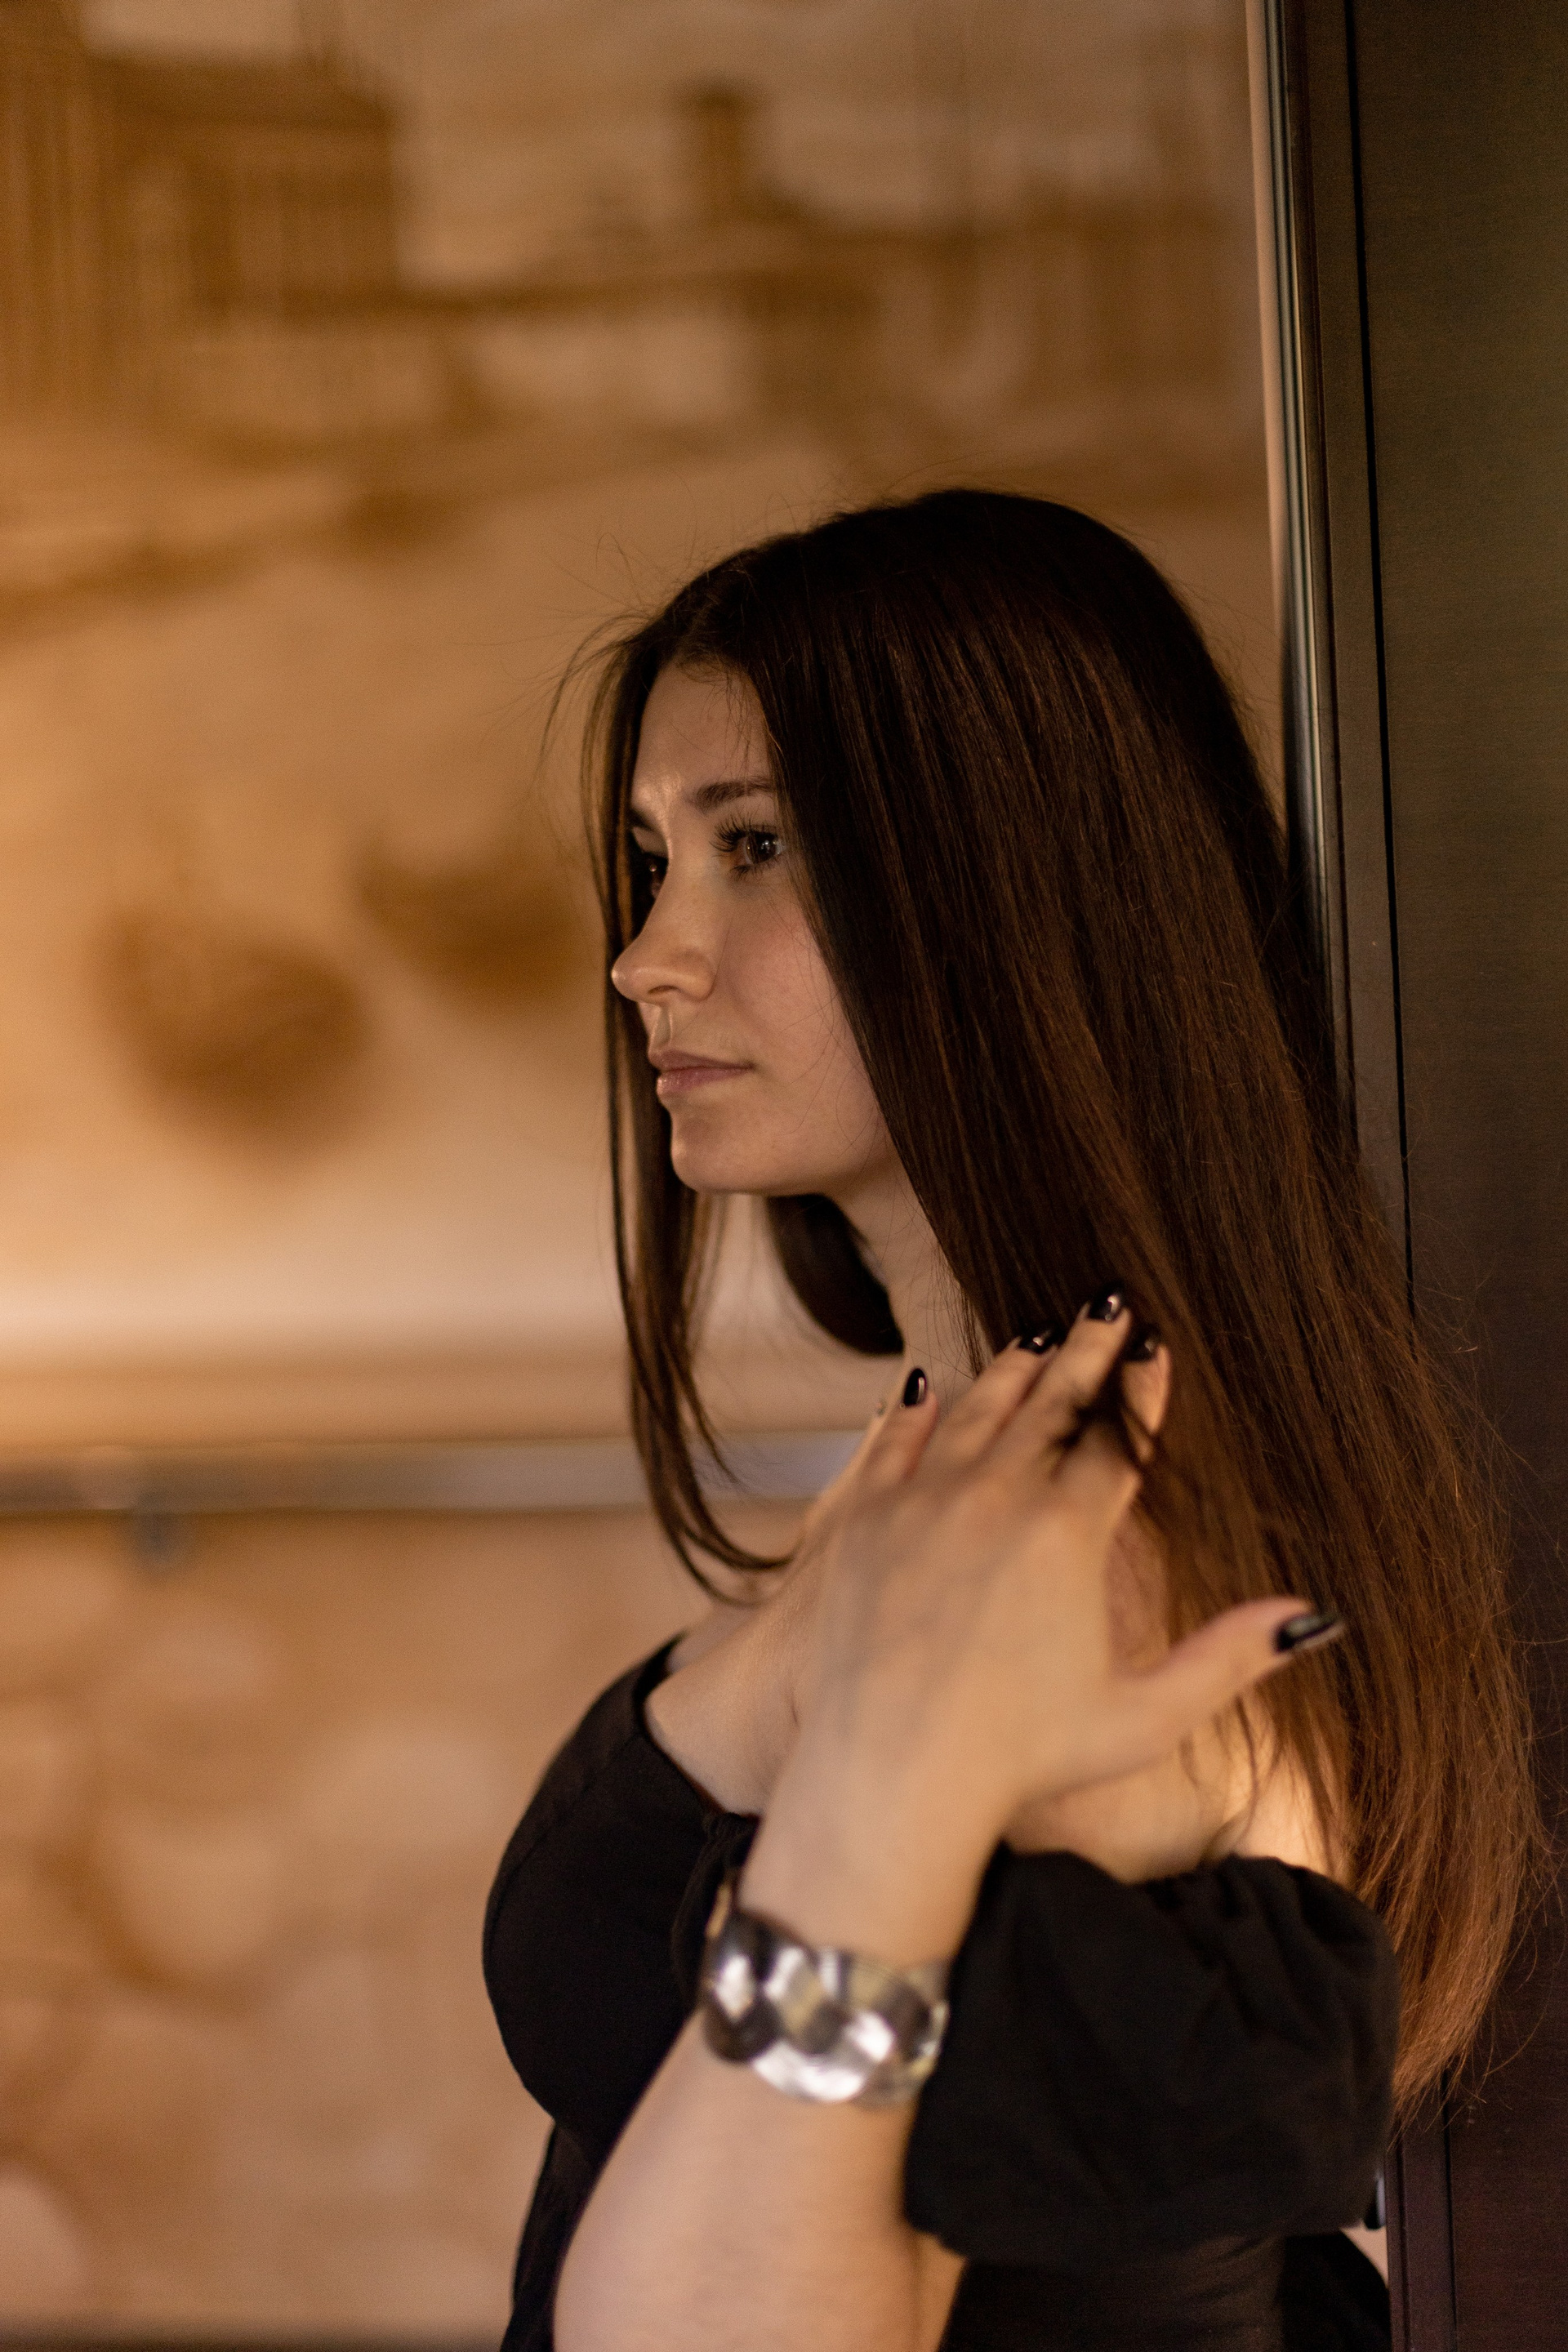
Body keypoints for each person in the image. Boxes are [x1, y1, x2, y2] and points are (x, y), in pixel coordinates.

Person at [483, 491, 1537, 2352]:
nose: (649, 955)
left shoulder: (1098, 1550)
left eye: (755, 847)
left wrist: (873, 1803)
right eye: (655, 861)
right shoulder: (976, 1443)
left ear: (1011, 893)